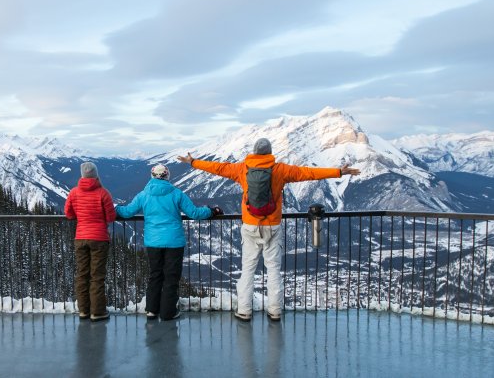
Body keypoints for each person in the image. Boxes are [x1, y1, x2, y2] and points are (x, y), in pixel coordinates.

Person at [177, 138, 360, 322]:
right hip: (272, 226)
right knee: (273, 270)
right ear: (269, 152)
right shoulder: (280, 170)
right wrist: (338, 172)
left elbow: (217, 167)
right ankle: (274, 311)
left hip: (249, 226)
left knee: (247, 269)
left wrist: (193, 162)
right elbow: (308, 173)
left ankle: (244, 310)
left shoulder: (242, 168)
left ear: (255, 152)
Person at [115, 163, 223, 321]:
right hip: (174, 242)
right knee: (171, 277)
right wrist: (212, 211)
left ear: (152, 176)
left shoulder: (143, 195)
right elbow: (194, 213)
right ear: (167, 176)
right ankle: (168, 312)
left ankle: (152, 310)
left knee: (155, 275)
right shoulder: (176, 193)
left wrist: (116, 208)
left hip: (153, 242)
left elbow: (127, 212)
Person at [65, 162, 117, 322]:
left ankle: (83, 311)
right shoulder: (103, 193)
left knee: (82, 275)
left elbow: (68, 213)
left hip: (80, 238)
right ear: (96, 175)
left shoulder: (73, 193)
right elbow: (111, 217)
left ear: (82, 175)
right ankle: (97, 312)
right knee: (97, 276)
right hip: (99, 238)